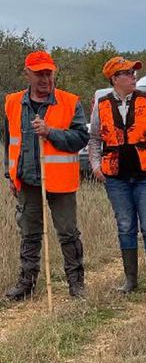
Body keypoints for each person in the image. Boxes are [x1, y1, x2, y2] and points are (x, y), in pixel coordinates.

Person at [4, 51, 89, 300]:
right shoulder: (13, 103)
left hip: (60, 182)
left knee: (68, 233)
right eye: (39, 73)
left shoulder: (69, 102)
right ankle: (27, 283)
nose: (45, 78)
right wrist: (11, 175)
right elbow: (11, 142)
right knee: (29, 233)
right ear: (27, 74)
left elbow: (80, 139)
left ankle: (76, 284)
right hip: (27, 181)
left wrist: (51, 132)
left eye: (48, 73)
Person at [88, 56, 146, 301]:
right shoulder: (101, 105)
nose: (133, 77)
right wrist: (95, 166)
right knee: (125, 226)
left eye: (133, 73)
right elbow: (94, 139)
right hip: (116, 178)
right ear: (114, 79)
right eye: (127, 73)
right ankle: (130, 280)